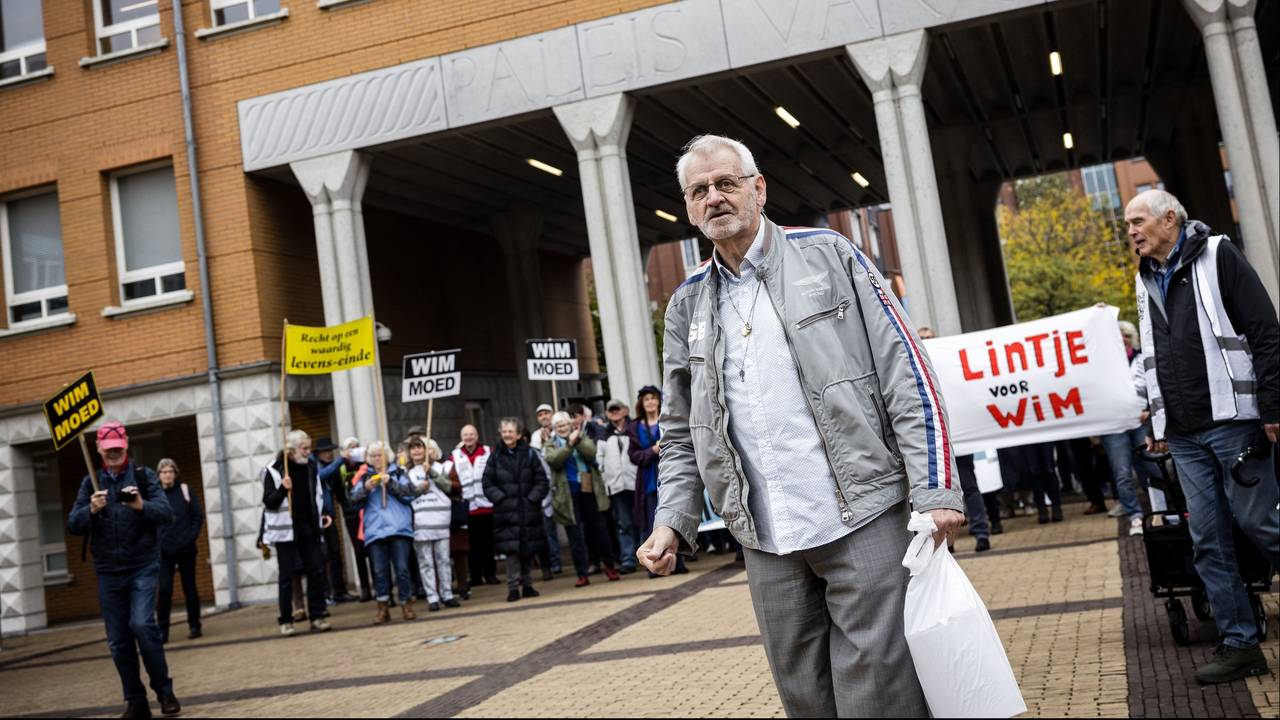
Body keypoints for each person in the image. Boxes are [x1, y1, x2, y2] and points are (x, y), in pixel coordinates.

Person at [638, 135, 965, 717]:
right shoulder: (686, 304)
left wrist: (936, 489)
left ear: (758, 188)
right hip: (766, 538)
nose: (714, 198)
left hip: (862, 516)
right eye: (699, 191)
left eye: (726, 183)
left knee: (880, 698)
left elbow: (907, 374)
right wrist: (671, 521)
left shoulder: (830, 255)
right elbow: (683, 430)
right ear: (688, 208)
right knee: (806, 699)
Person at [1127, 188, 1279, 684]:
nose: (1130, 231)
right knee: (1208, 542)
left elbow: (1265, 332)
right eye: (1127, 224)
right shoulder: (1144, 277)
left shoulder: (1219, 254)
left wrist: (1273, 407)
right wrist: (1157, 419)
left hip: (1235, 423)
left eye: (1137, 221)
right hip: (1186, 436)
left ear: (1169, 219)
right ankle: (1240, 646)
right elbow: (1153, 355)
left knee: (1263, 527)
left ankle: (1241, 642)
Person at [68, 422, 181, 719]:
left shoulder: (144, 477)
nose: (114, 453)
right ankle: (136, 701)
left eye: (118, 447)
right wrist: (90, 510)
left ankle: (165, 691)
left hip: (142, 565)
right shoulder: (88, 483)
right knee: (118, 641)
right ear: (99, 450)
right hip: (108, 571)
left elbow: (166, 513)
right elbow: (73, 525)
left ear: (126, 444)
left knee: (143, 626)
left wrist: (141, 504)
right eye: (108, 449)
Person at [262, 429, 334, 636]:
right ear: (292, 450)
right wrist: (283, 489)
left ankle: (317, 615)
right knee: (287, 575)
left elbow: (318, 494)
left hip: (309, 526)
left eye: (309, 448)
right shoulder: (274, 469)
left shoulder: (311, 466)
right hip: (286, 531)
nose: (309, 452)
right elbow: (269, 502)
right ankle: (286, 619)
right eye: (305, 448)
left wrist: (325, 513)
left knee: (316, 570)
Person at [546, 411, 619, 586]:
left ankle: (610, 566)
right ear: (555, 429)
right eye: (559, 426)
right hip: (567, 495)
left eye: (565, 425)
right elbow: (554, 460)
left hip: (589, 490)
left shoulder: (582, 437)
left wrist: (576, 441)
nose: (563, 428)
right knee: (575, 535)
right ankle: (582, 573)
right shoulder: (551, 444)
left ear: (570, 424)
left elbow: (592, 453)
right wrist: (569, 445)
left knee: (599, 529)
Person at [1098, 319, 1157, 536]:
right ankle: (1135, 516)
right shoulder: (1101, 365)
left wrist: (1150, 410)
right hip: (1114, 426)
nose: (1122, 340)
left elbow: (1154, 385)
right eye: (1117, 336)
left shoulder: (1142, 359)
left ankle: (1159, 510)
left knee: (1151, 467)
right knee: (1122, 472)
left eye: (1125, 336)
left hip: (1141, 422)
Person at [483, 417, 551, 601]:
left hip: (527, 510)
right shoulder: (495, 456)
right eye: (504, 431)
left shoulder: (529, 454)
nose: (507, 435)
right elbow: (488, 483)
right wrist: (501, 499)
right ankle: (513, 587)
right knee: (511, 552)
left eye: (510, 431)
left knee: (528, 549)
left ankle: (528, 584)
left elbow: (541, 481)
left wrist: (532, 498)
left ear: (519, 434)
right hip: (506, 512)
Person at [351, 441, 418, 623]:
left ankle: (406, 603)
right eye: (373, 456)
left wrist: (392, 484)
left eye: (379, 455)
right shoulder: (365, 477)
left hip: (398, 528)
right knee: (379, 571)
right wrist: (366, 489)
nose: (377, 459)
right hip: (375, 530)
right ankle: (383, 606)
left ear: (387, 456)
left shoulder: (399, 472)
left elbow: (410, 494)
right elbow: (353, 501)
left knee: (402, 569)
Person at [629, 385, 687, 577]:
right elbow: (634, 456)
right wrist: (653, 450)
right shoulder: (636, 427)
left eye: (653, 398)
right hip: (648, 481)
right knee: (651, 522)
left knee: (673, 516)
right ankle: (653, 564)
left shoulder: (668, 419)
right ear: (641, 403)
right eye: (646, 399)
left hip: (670, 475)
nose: (650, 402)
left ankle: (676, 562)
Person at [155, 458, 205, 642]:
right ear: (159, 475)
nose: (167, 475)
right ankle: (162, 630)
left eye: (170, 471)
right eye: (163, 472)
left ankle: (194, 625)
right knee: (165, 590)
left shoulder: (185, 491)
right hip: (164, 552)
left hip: (186, 550)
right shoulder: (154, 495)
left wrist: (190, 537)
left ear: (175, 473)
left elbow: (197, 517)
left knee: (189, 588)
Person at [407, 437, 458, 611]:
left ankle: (447, 593)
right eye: (413, 448)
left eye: (419, 448)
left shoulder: (440, 467)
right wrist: (419, 488)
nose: (416, 451)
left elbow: (451, 488)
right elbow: (404, 494)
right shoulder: (406, 472)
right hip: (420, 523)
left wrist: (434, 475)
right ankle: (432, 597)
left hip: (441, 520)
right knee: (425, 561)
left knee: (443, 560)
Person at [452, 425, 498, 586]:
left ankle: (491, 574)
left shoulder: (487, 451)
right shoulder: (455, 456)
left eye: (471, 434)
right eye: (465, 435)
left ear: (477, 436)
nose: (469, 438)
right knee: (471, 546)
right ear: (461, 437)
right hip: (467, 507)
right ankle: (476, 576)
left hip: (486, 505)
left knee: (488, 543)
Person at [313, 437, 356, 604]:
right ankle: (326, 593)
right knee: (324, 557)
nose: (329, 454)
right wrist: (340, 461)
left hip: (331, 516)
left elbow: (339, 490)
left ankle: (339, 591)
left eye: (331, 451)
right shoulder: (316, 467)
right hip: (319, 517)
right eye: (325, 451)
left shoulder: (333, 468)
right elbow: (321, 476)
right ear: (318, 454)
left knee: (335, 554)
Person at [598, 399, 640, 573]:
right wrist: (607, 480)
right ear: (607, 414)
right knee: (624, 523)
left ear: (625, 410)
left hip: (636, 483)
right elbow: (599, 460)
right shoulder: (603, 435)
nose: (615, 412)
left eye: (618, 409)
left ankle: (646, 553)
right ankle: (628, 558)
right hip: (616, 486)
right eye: (611, 410)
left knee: (642, 520)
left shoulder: (635, 428)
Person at [335, 437, 374, 602]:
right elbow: (337, 490)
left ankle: (379, 585)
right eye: (351, 448)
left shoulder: (365, 466)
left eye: (356, 447)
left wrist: (365, 459)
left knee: (373, 548)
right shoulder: (341, 468)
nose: (354, 451)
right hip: (351, 513)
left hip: (367, 511)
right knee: (359, 551)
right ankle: (364, 588)